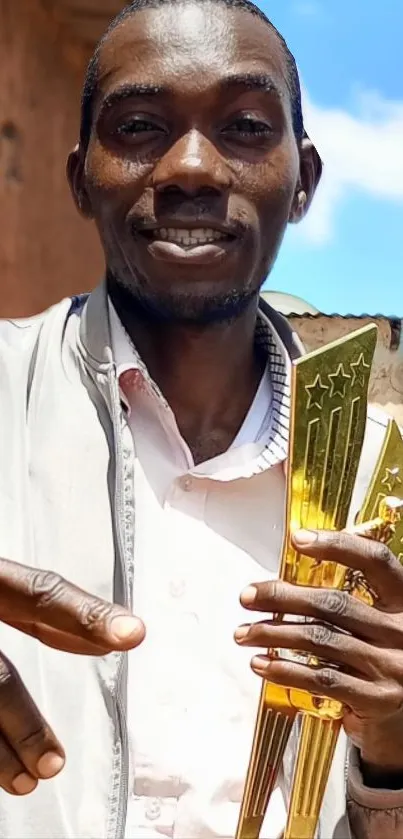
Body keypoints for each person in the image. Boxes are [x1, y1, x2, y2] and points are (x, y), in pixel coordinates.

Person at [0, 0, 402, 836]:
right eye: (141, 125)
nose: (190, 166)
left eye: (246, 126)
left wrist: (394, 749)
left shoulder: (383, 491)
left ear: (304, 183)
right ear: (80, 179)